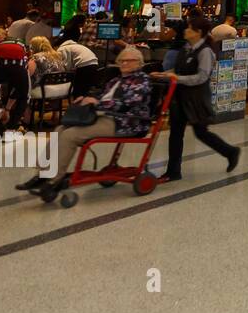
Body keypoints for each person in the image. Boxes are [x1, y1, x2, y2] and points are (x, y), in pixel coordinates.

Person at [18, 47, 155, 202]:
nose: (124, 63)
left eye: (129, 60)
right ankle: (42, 174)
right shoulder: (116, 80)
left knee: (71, 135)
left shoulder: (142, 80)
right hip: (106, 116)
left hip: (126, 122)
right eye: (122, 60)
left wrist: (98, 103)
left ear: (139, 63)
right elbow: (102, 95)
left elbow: (127, 103)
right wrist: (86, 98)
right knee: (61, 129)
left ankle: (54, 179)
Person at [152, 16, 240, 181]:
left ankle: (230, 151)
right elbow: (178, 69)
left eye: (189, 29)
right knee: (176, 134)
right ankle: (173, 171)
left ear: (198, 32)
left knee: (201, 133)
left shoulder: (205, 51)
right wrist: (164, 75)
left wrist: (177, 78)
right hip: (179, 98)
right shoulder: (187, 48)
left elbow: (202, 77)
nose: (185, 31)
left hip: (196, 99)